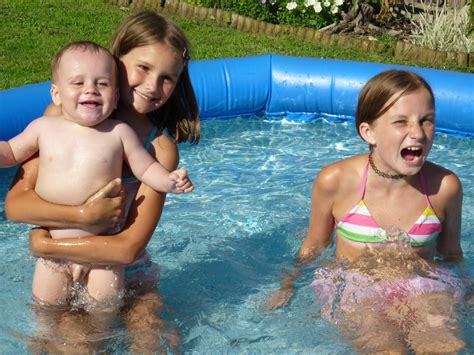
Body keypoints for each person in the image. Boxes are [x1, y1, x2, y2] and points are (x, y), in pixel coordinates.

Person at [5, 10, 199, 352]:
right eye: (143, 68)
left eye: (168, 78)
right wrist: (83, 217)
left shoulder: (159, 150)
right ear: (116, 61)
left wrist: (48, 245)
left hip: (127, 277)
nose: (153, 86)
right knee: (53, 339)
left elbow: (129, 247)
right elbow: (16, 205)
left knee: (151, 344)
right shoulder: (58, 121)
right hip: (62, 265)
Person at [264, 70, 465, 353]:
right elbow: (315, 245)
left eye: (426, 120)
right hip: (357, 289)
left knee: (443, 348)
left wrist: (468, 292)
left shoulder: (444, 187)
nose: (417, 133)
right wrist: (287, 284)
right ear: (368, 132)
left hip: (423, 289)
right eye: (400, 122)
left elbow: (451, 255)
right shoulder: (335, 181)